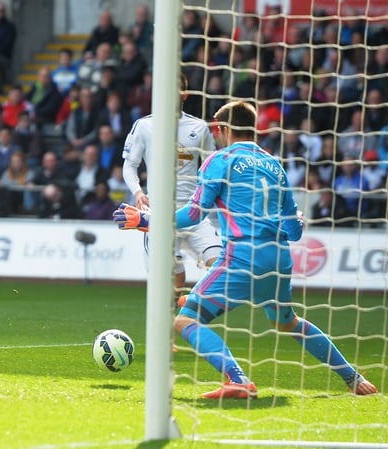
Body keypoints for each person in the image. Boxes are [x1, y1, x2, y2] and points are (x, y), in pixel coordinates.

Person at [114, 100, 378, 398]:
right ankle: (353, 378)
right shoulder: (274, 164)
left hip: (241, 257)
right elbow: (294, 231)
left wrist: (148, 220)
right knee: (287, 321)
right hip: (278, 259)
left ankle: (238, 379)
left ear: (223, 128)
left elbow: (193, 215)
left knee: (185, 319)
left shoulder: (219, 160)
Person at [122, 75, 220, 304]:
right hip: (160, 214)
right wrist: (137, 191)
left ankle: (192, 306)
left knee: (218, 266)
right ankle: (176, 319)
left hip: (194, 211)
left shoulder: (199, 127)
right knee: (170, 288)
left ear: (184, 95)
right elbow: (130, 165)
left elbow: (212, 166)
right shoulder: (145, 125)